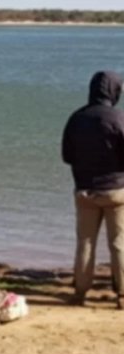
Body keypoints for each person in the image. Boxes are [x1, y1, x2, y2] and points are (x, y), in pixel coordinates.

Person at [62, 70, 124, 309]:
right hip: (116, 190)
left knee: (85, 242)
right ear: (114, 91)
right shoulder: (118, 118)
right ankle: (121, 294)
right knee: (118, 243)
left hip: (85, 190)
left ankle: (80, 292)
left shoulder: (76, 118)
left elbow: (66, 156)